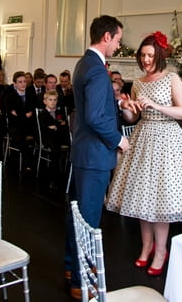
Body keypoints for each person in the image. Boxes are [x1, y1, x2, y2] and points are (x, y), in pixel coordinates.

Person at [106, 31, 182, 276]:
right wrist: (127, 108)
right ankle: (146, 247)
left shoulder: (172, 78)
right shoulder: (139, 82)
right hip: (143, 138)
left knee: (161, 199)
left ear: (159, 55)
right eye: (143, 55)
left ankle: (161, 251)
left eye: (150, 55)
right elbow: (134, 116)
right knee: (143, 198)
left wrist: (156, 106)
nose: (146, 59)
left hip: (168, 141)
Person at [65, 15, 133, 299]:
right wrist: (120, 139)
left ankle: (71, 267)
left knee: (79, 216)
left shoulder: (86, 63)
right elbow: (93, 117)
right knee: (90, 221)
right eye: (118, 39)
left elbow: (94, 107)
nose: (118, 45)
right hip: (94, 155)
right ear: (106, 37)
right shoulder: (95, 69)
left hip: (85, 151)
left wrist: (115, 101)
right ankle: (81, 283)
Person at [2, 71, 37, 171]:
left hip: (29, 125)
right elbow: (13, 116)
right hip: (14, 126)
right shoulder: (10, 97)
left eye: (24, 81)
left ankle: (36, 162)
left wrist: (23, 114)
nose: (23, 84)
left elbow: (33, 112)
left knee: (40, 133)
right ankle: (28, 163)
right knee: (22, 137)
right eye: (20, 82)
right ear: (15, 84)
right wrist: (26, 114)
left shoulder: (30, 94)